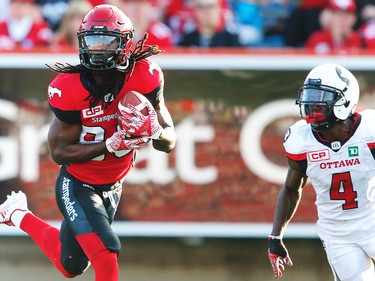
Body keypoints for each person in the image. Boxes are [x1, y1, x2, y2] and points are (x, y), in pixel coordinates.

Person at [0, 4, 176, 281]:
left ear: (125, 44)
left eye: (107, 41)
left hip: (113, 183)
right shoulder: (70, 87)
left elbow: (168, 140)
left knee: (71, 266)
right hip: (77, 183)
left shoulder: (145, 75)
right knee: (106, 255)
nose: (98, 49)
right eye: (92, 41)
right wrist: (111, 143)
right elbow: (58, 152)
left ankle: (17, 214)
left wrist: (155, 131)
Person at [267, 63, 375, 280]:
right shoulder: (301, 140)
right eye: (310, 95)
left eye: (321, 97)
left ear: (344, 100)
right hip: (338, 235)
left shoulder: (369, 131)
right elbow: (291, 188)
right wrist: (275, 236)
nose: (312, 104)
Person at [178, 0, 243, 47]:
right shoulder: (188, 38)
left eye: (211, 6)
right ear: (195, 11)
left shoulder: (231, 38)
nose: (206, 11)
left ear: (220, 9)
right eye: (201, 7)